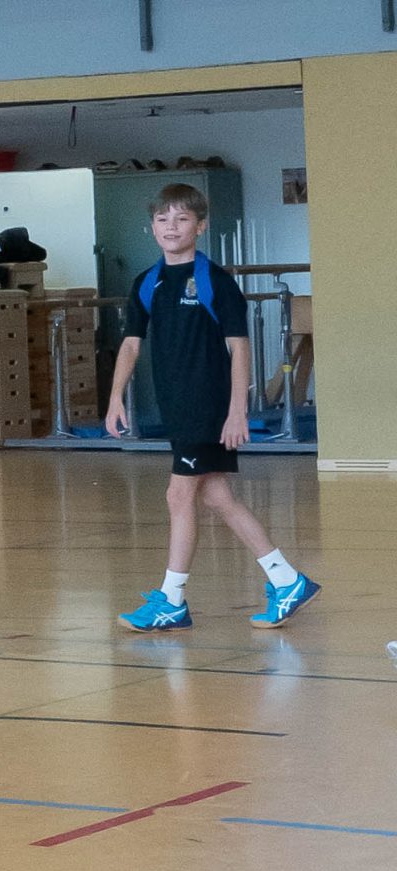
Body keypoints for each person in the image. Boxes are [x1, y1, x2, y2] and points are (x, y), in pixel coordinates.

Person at [108, 183, 319, 631]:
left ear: (200, 226)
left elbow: (239, 348)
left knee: (178, 494)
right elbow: (130, 345)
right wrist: (114, 398)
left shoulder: (213, 282)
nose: (171, 227)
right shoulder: (147, 283)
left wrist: (237, 410)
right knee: (218, 495)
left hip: (207, 406)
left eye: (181, 219)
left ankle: (172, 599)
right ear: (152, 228)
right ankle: (286, 580)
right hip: (177, 406)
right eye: (163, 219)